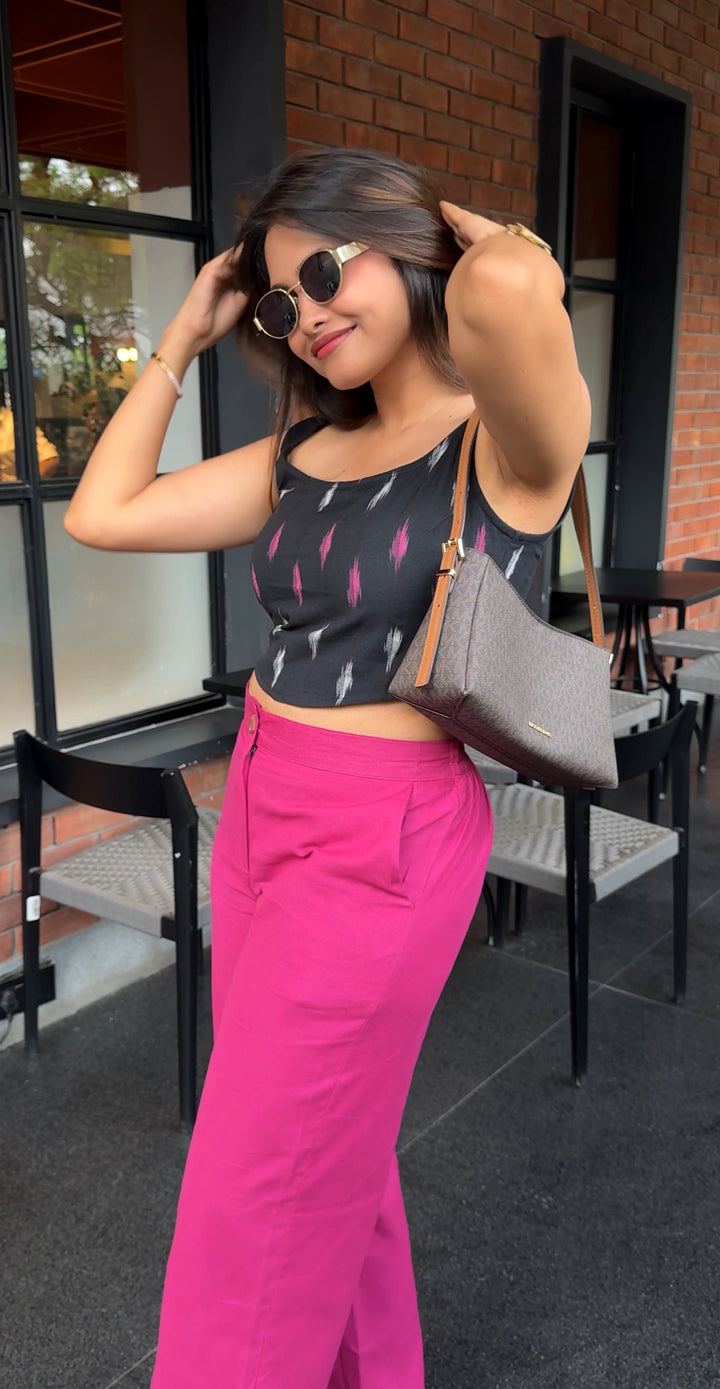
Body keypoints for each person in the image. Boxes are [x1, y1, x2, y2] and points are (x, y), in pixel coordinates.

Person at [64, 149, 590, 1389]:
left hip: (383, 840)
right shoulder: (304, 454)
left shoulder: (507, 445)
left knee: (254, 1192)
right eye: (277, 305)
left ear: (401, 245)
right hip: (257, 807)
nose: (303, 317)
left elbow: (513, 290)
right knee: (320, 1151)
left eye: (320, 274)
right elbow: (103, 512)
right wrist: (183, 336)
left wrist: (468, 236)